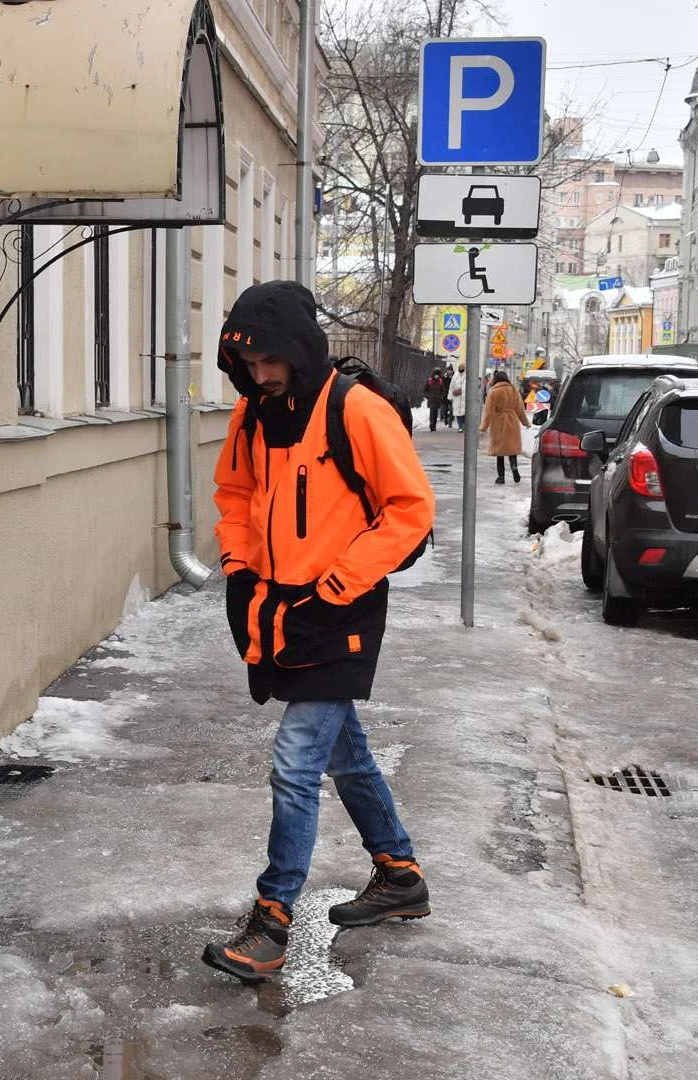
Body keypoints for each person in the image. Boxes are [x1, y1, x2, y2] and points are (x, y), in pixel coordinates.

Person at [202, 280, 437, 984]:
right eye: (248, 364)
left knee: (296, 761)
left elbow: (410, 509)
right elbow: (235, 494)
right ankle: (398, 874)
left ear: (300, 352)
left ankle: (273, 919)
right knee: (344, 753)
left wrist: (338, 583)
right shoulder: (253, 413)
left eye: (271, 361)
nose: (259, 374)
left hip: (343, 609)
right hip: (278, 609)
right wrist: (239, 565)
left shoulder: (355, 410)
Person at [481, 370, 527, 484]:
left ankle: (501, 477)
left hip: (498, 422)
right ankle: (514, 467)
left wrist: (483, 427)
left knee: (499, 452)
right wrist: (525, 422)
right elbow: (520, 409)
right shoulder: (513, 390)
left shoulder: (493, 392)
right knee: (512, 449)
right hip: (512, 421)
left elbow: (488, 412)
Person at [422, 366, 450, 432]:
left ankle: (434, 425)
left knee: (435, 413)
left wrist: (441, 396)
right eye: (435, 375)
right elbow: (425, 390)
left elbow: (443, 390)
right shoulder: (429, 381)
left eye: (437, 375)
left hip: (437, 400)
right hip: (431, 399)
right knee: (432, 412)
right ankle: (431, 424)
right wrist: (427, 396)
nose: (436, 376)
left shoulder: (440, 381)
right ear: (433, 374)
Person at [448, 366, 466, 430]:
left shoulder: (467, 376)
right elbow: (451, 387)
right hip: (457, 397)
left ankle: (463, 425)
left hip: (465, 398)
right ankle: (460, 426)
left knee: (464, 413)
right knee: (458, 413)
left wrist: (462, 390)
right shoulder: (455, 376)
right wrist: (450, 397)